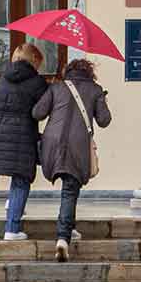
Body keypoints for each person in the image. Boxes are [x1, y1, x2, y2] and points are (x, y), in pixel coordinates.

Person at [32, 54, 112, 261]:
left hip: (52, 143)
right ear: (90, 73)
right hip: (77, 145)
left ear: (68, 72)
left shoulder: (56, 87)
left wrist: (49, 91)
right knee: (70, 189)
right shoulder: (95, 90)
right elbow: (104, 120)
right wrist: (102, 99)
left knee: (69, 188)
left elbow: (37, 113)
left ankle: (69, 228)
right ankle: (62, 237)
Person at [0, 42, 48, 241]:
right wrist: (50, 87)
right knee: (22, 180)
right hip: (21, 131)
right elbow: (42, 109)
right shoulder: (36, 81)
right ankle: (12, 229)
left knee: (17, 176)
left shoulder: (3, 78)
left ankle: (12, 206)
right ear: (34, 59)